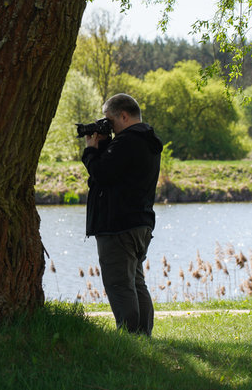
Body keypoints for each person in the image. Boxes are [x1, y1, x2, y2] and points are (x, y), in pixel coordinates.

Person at [82, 93, 163, 336]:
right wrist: (105, 146)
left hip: (118, 226)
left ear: (124, 116)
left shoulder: (127, 142)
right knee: (136, 283)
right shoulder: (146, 140)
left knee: (119, 284)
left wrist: (90, 151)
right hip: (139, 223)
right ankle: (142, 335)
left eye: (110, 120)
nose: (107, 125)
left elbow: (102, 173)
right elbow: (116, 171)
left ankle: (129, 337)